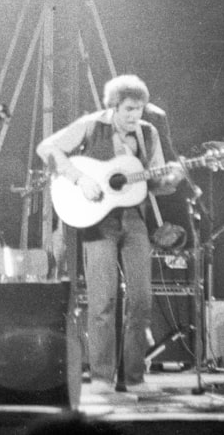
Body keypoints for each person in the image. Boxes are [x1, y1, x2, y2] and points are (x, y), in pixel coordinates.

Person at [35, 74, 183, 395]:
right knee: (104, 300)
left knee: (142, 299)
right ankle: (102, 376)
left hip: (134, 218)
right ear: (114, 106)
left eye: (140, 109)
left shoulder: (148, 133)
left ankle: (134, 376)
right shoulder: (91, 124)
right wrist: (78, 178)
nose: (135, 116)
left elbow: (154, 181)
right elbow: (46, 147)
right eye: (129, 109)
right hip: (97, 220)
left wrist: (171, 178)